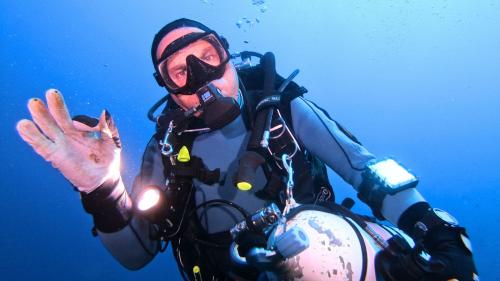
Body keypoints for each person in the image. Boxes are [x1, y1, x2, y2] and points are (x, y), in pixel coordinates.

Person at [16, 18, 478, 281]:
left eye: (206, 56)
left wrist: (438, 234)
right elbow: (137, 253)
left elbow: (366, 170)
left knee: (317, 243)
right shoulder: (166, 151)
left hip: (335, 260)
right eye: (178, 72)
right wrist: (99, 186)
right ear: (167, 90)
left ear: (229, 56)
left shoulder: (282, 111)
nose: (198, 76)